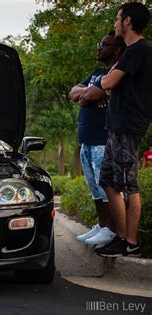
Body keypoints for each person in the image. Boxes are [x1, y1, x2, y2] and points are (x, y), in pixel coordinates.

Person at [93, 2, 151, 257]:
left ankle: (130, 241)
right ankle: (121, 237)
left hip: (128, 125)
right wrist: (107, 83)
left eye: (118, 19)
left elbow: (108, 81)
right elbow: (108, 84)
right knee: (108, 181)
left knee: (127, 184)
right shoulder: (131, 52)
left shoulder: (138, 50)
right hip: (117, 125)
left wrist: (107, 81)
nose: (115, 23)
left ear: (127, 21)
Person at [69, 32, 125, 245]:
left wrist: (90, 94)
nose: (98, 48)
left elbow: (86, 96)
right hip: (86, 139)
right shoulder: (97, 73)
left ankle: (112, 229)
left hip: (103, 139)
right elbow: (73, 93)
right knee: (95, 188)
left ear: (117, 49)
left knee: (106, 187)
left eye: (104, 44)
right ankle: (102, 225)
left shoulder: (118, 72)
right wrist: (91, 92)